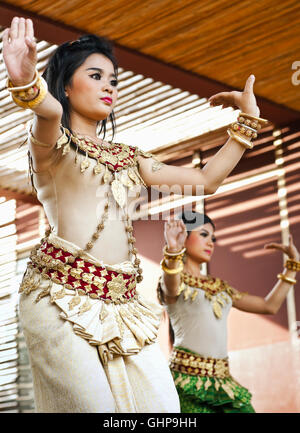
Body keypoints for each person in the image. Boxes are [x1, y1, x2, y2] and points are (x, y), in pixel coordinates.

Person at [3, 16, 268, 413]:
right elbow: (47, 112)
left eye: (113, 79)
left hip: (125, 303)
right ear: (67, 86)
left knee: (163, 409)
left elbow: (206, 180)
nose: (109, 85)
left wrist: (245, 123)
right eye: (96, 75)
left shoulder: (131, 157)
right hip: (60, 296)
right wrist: (26, 80)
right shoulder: (52, 144)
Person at [157, 211, 300, 413]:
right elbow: (171, 285)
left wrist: (292, 266)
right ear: (183, 236)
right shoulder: (174, 280)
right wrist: (173, 249)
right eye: (204, 234)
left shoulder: (221, 287)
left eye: (213, 238)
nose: (211, 243)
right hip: (184, 382)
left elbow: (269, 306)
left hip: (223, 382)